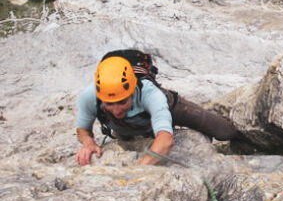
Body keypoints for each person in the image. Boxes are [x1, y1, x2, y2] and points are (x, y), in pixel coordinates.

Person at [75, 54, 240, 166]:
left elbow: (166, 140)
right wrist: (89, 143)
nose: (116, 110)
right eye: (109, 104)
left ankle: (243, 132)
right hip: (129, 127)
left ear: (132, 91)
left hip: (171, 109)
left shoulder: (151, 94)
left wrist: (138, 169)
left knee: (225, 131)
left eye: (122, 102)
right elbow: (82, 131)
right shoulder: (90, 97)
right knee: (126, 133)